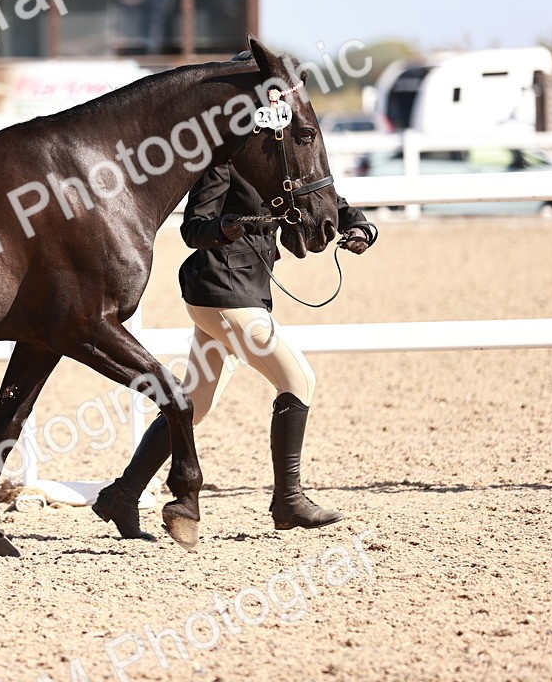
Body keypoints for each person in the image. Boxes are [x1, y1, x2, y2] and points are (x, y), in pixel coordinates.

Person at [93, 162, 376, 541]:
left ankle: (122, 495)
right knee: (299, 379)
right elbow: (193, 228)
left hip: (244, 289)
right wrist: (225, 227)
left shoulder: (282, 156)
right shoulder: (224, 162)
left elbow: (319, 194)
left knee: (197, 401)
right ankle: (288, 500)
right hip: (222, 290)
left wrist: (358, 224)